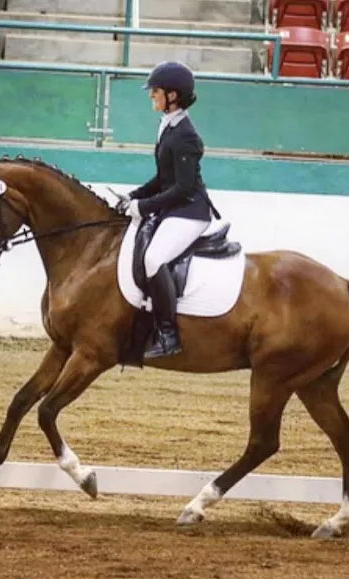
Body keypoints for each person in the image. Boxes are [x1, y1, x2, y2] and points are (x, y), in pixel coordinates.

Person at [116, 60, 221, 360]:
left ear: (173, 96)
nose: (151, 95)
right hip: (176, 207)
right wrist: (133, 196)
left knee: (152, 258)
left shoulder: (185, 134)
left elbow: (184, 188)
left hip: (191, 211)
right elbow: (164, 178)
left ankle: (167, 332)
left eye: (156, 91)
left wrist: (144, 206)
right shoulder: (169, 126)